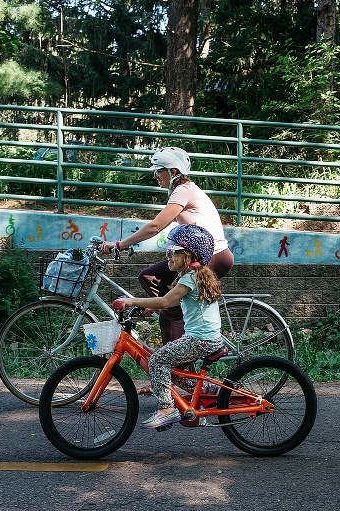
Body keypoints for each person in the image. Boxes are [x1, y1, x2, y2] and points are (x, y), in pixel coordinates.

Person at [101, 147, 234, 344]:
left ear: (173, 172)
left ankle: (178, 367)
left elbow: (156, 226)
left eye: (158, 170)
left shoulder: (183, 190)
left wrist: (120, 244)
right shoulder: (183, 190)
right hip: (206, 254)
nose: (155, 176)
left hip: (213, 256)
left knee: (169, 310)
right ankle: (173, 325)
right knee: (153, 283)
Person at [111, 224, 225, 429]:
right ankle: (211, 391)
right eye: (168, 251)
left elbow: (164, 301)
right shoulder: (196, 275)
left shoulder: (190, 277)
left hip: (200, 340)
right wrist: (148, 307)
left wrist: (131, 301)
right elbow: (171, 302)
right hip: (205, 338)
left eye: (173, 252)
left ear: (188, 256)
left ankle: (167, 410)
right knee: (172, 370)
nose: (168, 256)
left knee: (157, 361)